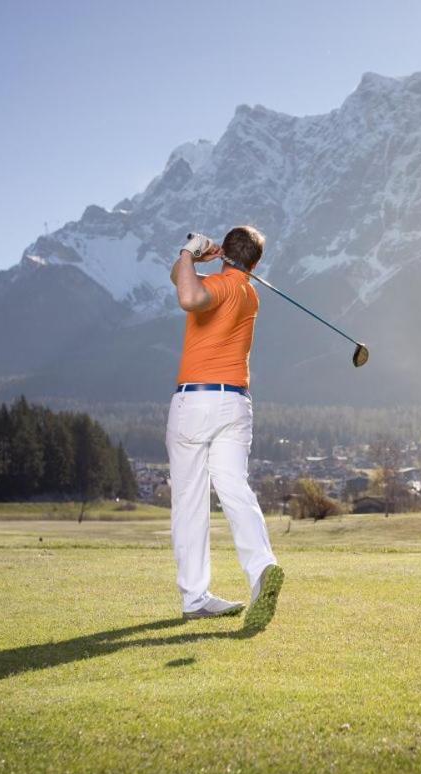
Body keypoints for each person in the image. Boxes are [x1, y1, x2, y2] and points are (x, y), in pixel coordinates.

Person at [167, 227, 283, 630]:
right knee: (234, 487)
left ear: (225, 253)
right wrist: (192, 262)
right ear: (255, 262)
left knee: (190, 500)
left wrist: (189, 250)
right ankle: (262, 568)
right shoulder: (249, 293)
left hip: (195, 401)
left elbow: (187, 295)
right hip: (236, 403)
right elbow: (180, 278)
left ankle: (195, 597)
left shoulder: (221, 286)